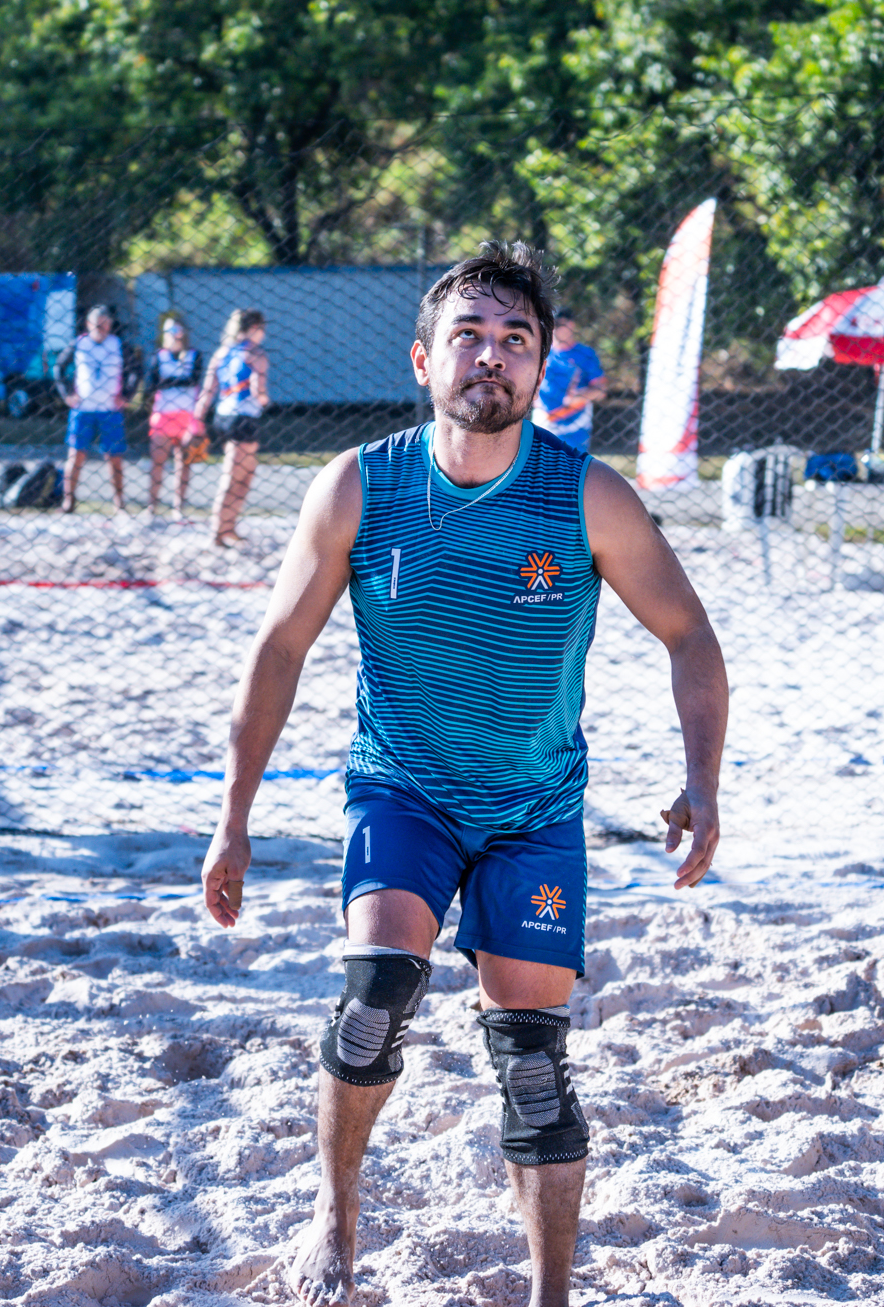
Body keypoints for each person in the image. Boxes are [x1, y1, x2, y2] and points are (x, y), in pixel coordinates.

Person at [198, 243, 728, 1307]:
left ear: (541, 365)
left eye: (515, 339)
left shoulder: (589, 498)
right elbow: (279, 647)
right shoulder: (360, 486)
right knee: (372, 1000)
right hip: (402, 792)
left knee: (531, 1064)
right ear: (423, 359)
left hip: (535, 813)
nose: (492, 355)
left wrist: (702, 782)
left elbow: (689, 637)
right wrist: (233, 817)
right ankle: (334, 1217)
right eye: (469, 336)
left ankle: (549, 1298)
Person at [200, 308, 270, 547]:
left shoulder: (222, 352)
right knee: (234, 478)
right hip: (243, 417)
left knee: (245, 473)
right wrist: (264, 399)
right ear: (254, 328)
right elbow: (259, 391)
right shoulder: (255, 353)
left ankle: (228, 527)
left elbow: (208, 390)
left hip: (223, 416)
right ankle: (217, 531)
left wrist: (197, 420)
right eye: (262, 329)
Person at [54, 305, 129, 514]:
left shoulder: (118, 344)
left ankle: (119, 503)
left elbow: (135, 370)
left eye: (105, 325)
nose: (101, 329)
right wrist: (67, 394)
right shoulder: (79, 343)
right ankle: (68, 502)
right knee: (76, 455)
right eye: (97, 325)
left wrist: (127, 395)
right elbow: (59, 367)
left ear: (110, 325)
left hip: (110, 409)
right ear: (88, 324)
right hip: (83, 409)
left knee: (114, 457)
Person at [142, 315, 207, 519]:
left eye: (177, 330)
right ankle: (151, 506)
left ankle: (178, 507)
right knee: (158, 461)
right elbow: (152, 384)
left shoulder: (194, 355)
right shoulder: (158, 356)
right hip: (163, 414)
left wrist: (168, 381)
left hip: (188, 415)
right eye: (169, 331)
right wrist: (178, 380)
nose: (174, 335)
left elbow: (193, 380)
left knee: (185, 463)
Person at [530, 307, 605, 453]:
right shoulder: (539, 352)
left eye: (559, 324)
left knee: (573, 465)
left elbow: (601, 389)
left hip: (575, 426)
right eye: (550, 324)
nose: (554, 329)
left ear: (571, 325)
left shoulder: (585, 354)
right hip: (543, 422)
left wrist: (579, 397)